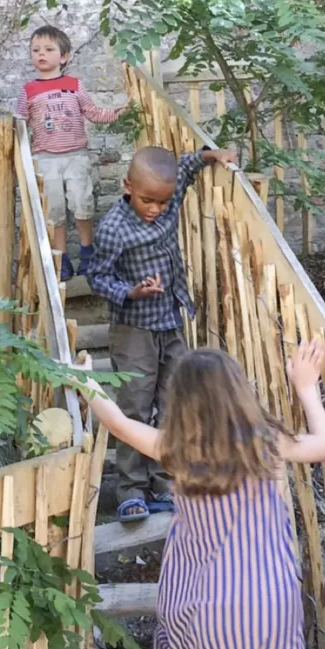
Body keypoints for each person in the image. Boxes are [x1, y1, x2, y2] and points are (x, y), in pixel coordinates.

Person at [77, 337, 325, 649]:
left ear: (181, 403)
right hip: (268, 599)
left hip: (201, 603)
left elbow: (120, 424)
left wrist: (86, 382)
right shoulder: (264, 442)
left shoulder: (175, 448)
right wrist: (306, 388)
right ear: (238, 394)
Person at [84, 144, 236, 522]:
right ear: (127, 187)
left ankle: (164, 479)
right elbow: (98, 276)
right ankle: (131, 489)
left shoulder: (169, 197)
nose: (155, 209)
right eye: (147, 200)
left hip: (170, 319)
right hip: (134, 327)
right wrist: (130, 291)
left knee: (173, 402)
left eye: (163, 203)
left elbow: (183, 168)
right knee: (135, 404)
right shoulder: (114, 229)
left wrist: (211, 156)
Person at [15, 26, 126, 279]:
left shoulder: (74, 85)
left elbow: (94, 113)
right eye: (36, 50)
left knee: (82, 204)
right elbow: (19, 123)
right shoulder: (28, 90)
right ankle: (61, 258)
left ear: (64, 57)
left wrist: (119, 112)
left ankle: (88, 253)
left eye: (48, 49)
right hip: (45, 159)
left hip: (76, 156)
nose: (41, 54)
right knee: (54, 210)